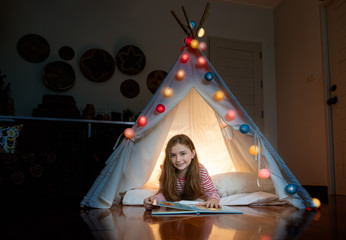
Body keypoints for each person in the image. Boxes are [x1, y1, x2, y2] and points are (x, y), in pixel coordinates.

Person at [144, 134, 221, 210]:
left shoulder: (200, 171)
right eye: (173, 155)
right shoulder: (167, 170)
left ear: (192, 154)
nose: (178, 159)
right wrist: (155, 200)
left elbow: (210, 192)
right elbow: (164, 194)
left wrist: (213, 199)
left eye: (183, 154)